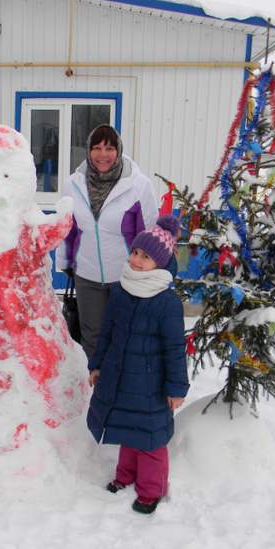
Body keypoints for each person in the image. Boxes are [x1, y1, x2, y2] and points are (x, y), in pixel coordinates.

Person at [86, 214, 189, 515]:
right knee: (126, 430)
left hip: (151, 385)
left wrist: (176, 389)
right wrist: (97, 364)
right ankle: (125, 475)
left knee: (150, 440)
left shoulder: (167, 302)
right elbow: (107, 330)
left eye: (145, 256)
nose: (136, 260)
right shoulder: (122, 288)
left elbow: (175, 349)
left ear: (160, 263)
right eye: (135, 252)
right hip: (120, 375)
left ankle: (150, 490)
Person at [55, 124, 158, 359]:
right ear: (88, 150)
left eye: (110, 148)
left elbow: (149, 232)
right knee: (92, 337)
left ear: (118, 150)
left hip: (127, 276)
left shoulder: (138, 185)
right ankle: (95, 380)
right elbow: (68, 229)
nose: (103, 154)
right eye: (97, 148)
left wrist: (148, 272)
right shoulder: (73, 184)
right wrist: (65, 262)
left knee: (126, 335)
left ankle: (121, 380)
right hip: (87, 275)